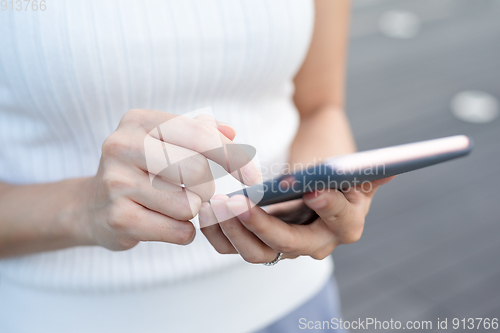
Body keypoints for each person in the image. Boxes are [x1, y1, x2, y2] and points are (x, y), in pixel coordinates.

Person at [0, 0, 392, 332]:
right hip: (66, 317)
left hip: (293, 304)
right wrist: (85, 207)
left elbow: (319, 107)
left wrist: (316, 200)